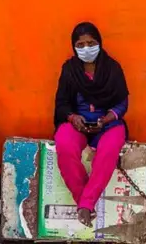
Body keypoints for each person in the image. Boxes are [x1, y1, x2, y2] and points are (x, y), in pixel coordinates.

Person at [54, 22, 129, 227]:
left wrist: (107, 119)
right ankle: (84, 203)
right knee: (64, 144)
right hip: (78, 123)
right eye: (81, 44)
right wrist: (72, 118)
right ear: (74, 46)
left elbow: (123, 102)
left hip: (107, 124)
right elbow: (61, 103)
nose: (86, 48)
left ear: (99, 43)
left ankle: (85, 206)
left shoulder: (112, 68)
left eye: (91, 43)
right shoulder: (69, 70)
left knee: (109, 150)